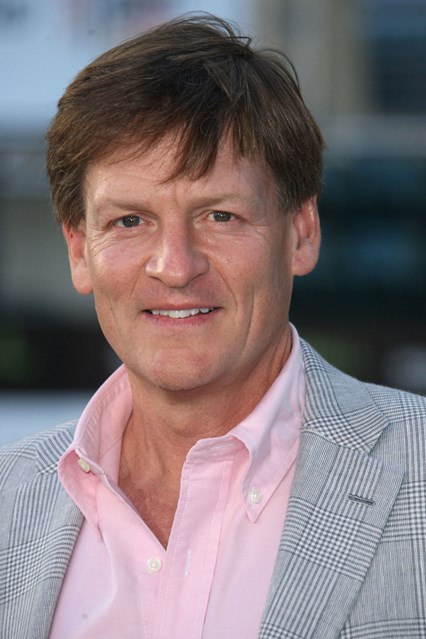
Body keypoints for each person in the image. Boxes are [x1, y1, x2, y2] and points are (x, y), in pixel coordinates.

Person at [0, 14, 425, 639]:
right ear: (78, 251)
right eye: (129, 221)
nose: (175, 267)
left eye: (219, 216)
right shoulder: (9, 500)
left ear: (302, 233)